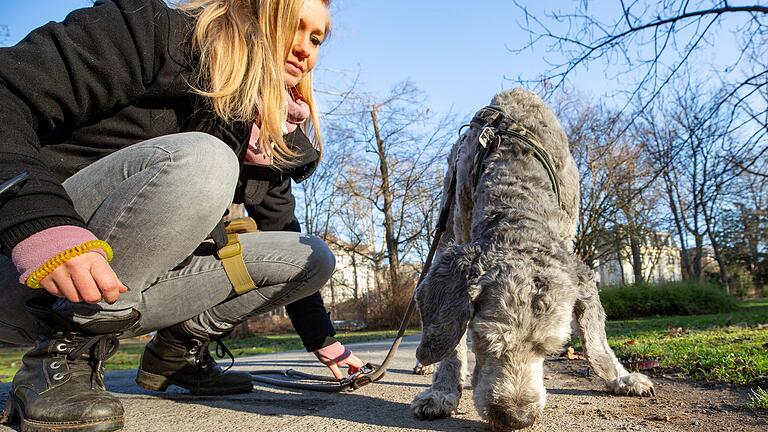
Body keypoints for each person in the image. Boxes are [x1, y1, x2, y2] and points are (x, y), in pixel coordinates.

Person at [0, 0, 364, 430]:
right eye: (292, 26)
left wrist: (323, 341)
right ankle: (58, 359)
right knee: (206, 160)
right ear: (246, 14)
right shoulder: (151, 33)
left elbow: (281, 228)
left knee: (310, 257)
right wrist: (40, 225)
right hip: (23, 269)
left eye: (316, 38)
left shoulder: (261, 133)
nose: (305, 49)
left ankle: (175, 354)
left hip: (115, 291)